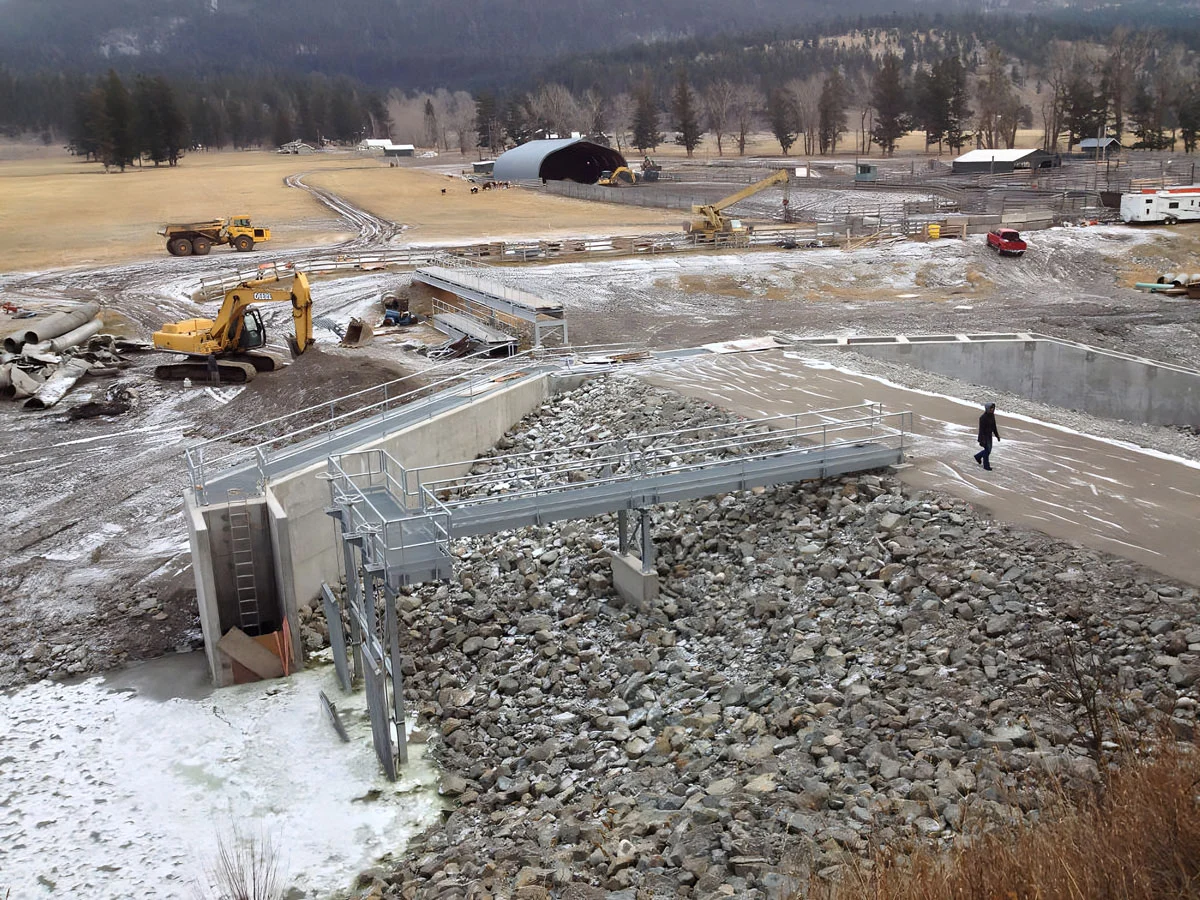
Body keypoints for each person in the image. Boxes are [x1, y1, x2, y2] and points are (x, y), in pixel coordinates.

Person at [974, 402, 1000, 470]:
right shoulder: (983, 418)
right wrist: (982, 439)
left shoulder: (992, 416)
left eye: (993, 408)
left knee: (988, 450)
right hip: (984, 436)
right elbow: (981, 430)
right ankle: (986, 465)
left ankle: (978, 456)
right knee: (987, 450)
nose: (992, 409)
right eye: (991, 408)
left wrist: (997, 435)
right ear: (987, 408)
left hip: (989, 436)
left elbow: (994, 427)